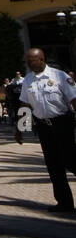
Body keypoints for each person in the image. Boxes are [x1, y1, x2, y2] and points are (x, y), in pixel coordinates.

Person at [19, 47, 76, 212]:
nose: (29, 64)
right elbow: (25, 104)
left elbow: (74, 99)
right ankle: (65, 203)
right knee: (53, 165)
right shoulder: (28, 80)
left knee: (70, 160)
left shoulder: (59, 76)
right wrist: (20, 129)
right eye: (28, 61)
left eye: (32, 60)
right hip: (44, 127)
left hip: (62, 123)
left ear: (42, 59)